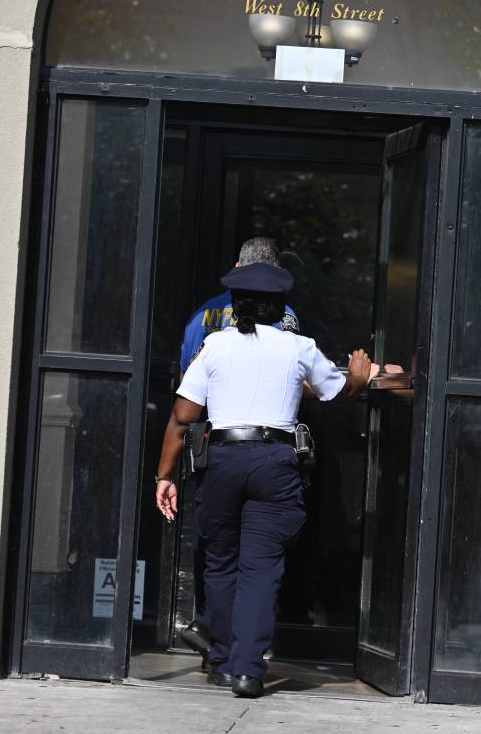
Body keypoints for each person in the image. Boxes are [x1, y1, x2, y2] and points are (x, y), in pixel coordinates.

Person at [154, 262, 374, 698]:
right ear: (281, 307)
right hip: (276, 461)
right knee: (260, 569)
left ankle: (220, 661)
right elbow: (337, 392)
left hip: (221, 460)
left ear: (235, 307)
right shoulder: (299, 347)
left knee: (219, 563)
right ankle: (247, 671)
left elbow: (182, 419)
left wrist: (164, 476)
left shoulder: (214, 347)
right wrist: (359, 378)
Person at [176, 237, 300, 665]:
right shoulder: (283, 317)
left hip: (210, 440)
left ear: (237, 268)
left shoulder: (201, 316)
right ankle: (247, 648)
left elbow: (185, 386)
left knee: (215, 547)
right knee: (260, 555)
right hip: (267, 444)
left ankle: (212, 628)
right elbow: (294, 378)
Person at [178, 237, 299, 374]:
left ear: (237, 268)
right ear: (276, 273)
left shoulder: (200, 314)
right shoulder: (281, 314)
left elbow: (185, 376)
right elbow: (292, 373)